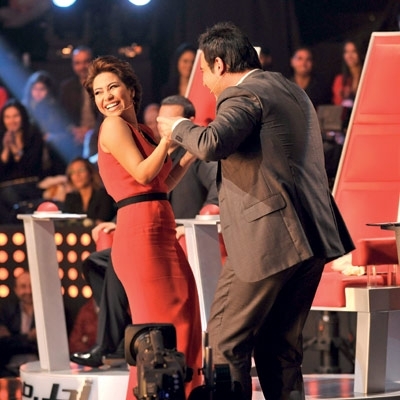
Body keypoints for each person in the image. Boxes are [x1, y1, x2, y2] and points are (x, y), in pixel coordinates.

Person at [157, 22, 354, 400]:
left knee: (225, 338)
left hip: (271, 240)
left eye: (204, 72)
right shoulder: (289, 89)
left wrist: (177, 126)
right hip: (312, 238)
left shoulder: (244, 93)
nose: (205, 82)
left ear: (219, 64)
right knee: (280, 348)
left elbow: (213, 142)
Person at [82, 55, 202, 399]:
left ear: (131, 90)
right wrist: (168, 139)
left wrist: (189, 154)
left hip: (160, 226)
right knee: (158, 333)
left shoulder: (142, 131)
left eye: (113, 87)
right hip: (140, 234)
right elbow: (143, 174)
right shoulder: (113, 126)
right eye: (98, 92)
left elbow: (163, 183)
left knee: (186, 318)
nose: (106, 97)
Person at [70, 95, 218, 369]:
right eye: (161, 119)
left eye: (171, 119)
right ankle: (117, 339)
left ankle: (112, 344)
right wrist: (118, 221)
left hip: (181, 236)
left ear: (188, 121)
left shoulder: (194, 157)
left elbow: (214, 193)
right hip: (145, 230)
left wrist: (194, 222)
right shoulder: (152, 147)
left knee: (118, 269)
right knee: (98, 262)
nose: (163, 125)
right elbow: (142, 190)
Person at [0, 99, 44, 223]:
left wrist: (15, 148)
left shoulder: (34, 136)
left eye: (15, 116)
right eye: (7, 117)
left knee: (10, 195)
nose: (12, 121)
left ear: (22, 117)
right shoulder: (1, 137)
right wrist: (6, 149)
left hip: (30, 184)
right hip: (6, 186)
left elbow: (30, 167)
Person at [22, 70, 68, 175]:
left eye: (42, 89)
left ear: (49, 90)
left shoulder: (56, 109)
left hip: (52, 152)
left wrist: (52, 137)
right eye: (35, 89)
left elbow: (65, 133)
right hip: (30, 151)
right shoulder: (23, 109)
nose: (38, 93)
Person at [59, 46, 99, 160]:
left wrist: (91, 132)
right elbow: (62, 115)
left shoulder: (102, 84)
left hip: (100, 135)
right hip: (74, 137)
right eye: (77, 63)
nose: (82, 67)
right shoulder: (66, 87)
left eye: (86, 62)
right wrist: (74, 130)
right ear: (73, 65)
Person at [0, 270, 38, 378]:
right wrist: (29, 337)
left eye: (31, 286)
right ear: (16, 290)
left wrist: (15, 338)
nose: (28, 291)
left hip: (39, 368)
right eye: (23, 286)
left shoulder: (49, 312)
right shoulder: (6, 311)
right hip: (8, 369)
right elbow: (3, 343)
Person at [62, 157, 116, 226]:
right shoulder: (71, 197)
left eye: (81, 170)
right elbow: (66, 223)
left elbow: (102, 221)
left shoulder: (104, 194)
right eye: (73, 172)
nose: (77, 175)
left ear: (90, 172)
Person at [331, 39, 364, 131]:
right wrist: (341, 96)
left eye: (353, 51)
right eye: (346, 52)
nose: (350, 56)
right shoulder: (340, 80)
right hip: (347, 125)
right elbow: (338, 107)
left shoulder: (367, 75)